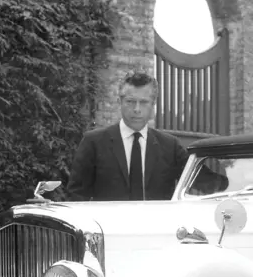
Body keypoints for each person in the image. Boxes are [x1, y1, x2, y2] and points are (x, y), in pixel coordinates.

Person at [67, 71, 190, 201]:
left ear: (153, 104)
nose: (137, 109)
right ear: (120, 101)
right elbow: (77, 195)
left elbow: (203, 183)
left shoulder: (171, 146)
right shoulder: (93, 142)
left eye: (143, 102)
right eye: (130, 101)